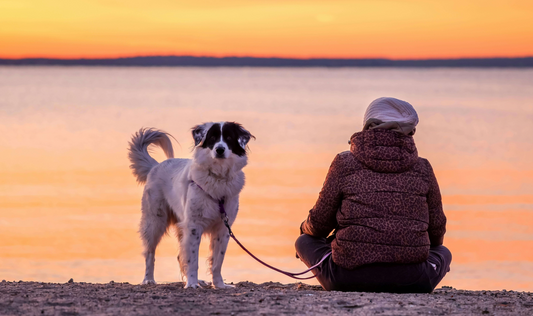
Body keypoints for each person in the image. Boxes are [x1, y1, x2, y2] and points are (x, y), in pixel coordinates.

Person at [295, 97, 451, 293]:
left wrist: (304, 228)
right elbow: (437, 233)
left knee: (304, 240)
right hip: (413, 280)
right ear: (410, 131)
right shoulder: (423, 168)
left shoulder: (344, 163)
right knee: (443, 252)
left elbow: (318, 226)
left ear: (367, 126)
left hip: (346, 279)